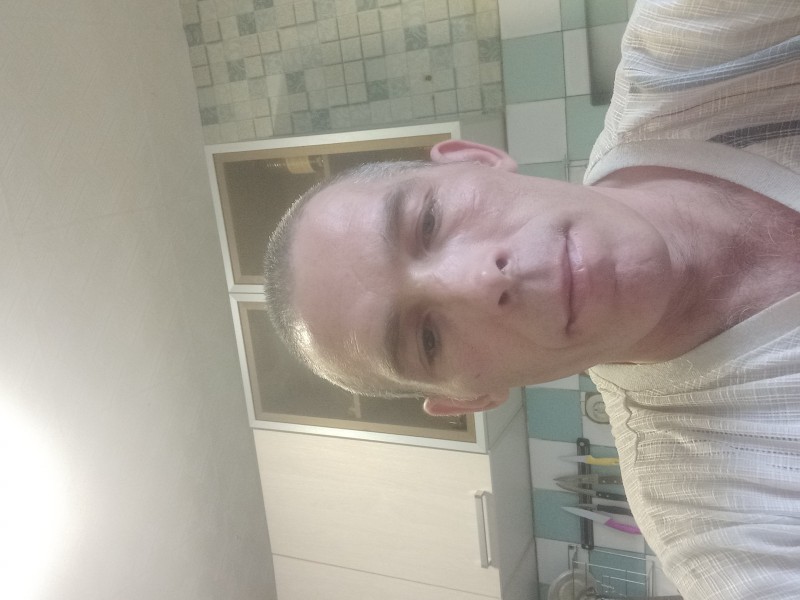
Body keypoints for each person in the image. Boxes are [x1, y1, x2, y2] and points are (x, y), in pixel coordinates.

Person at [263, 1, 800, 598]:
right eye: (428, 338)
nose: (480, 282)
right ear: (470, 398)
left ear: (476, 158)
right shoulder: (724, 527)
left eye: (429, 221)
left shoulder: (697, 50)